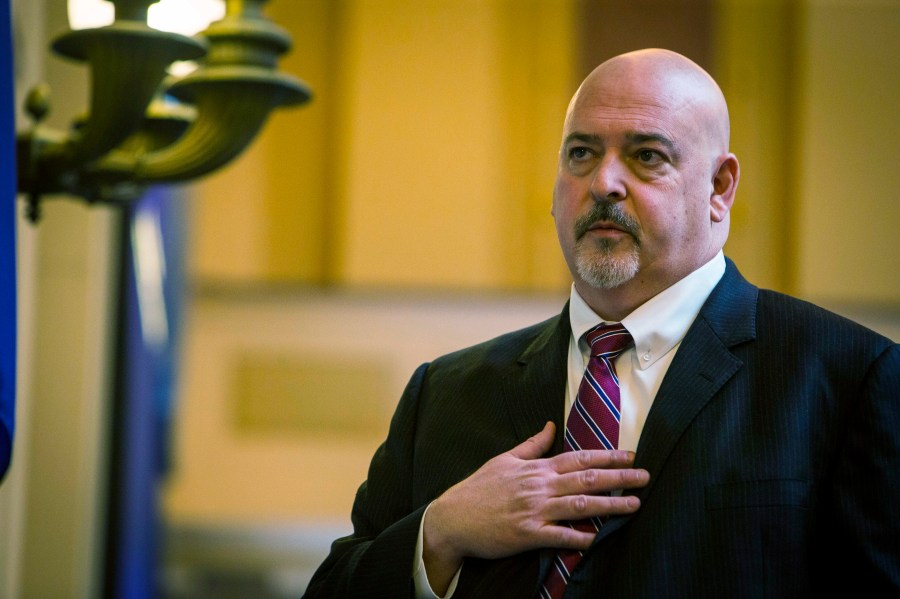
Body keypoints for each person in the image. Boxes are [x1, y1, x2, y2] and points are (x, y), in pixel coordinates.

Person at [303, 48, 900, 598]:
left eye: (646, 156)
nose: (603, 184)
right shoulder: (445, 393)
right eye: (581, 153)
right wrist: (440, 533)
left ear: (720, 188)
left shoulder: (847, 378)